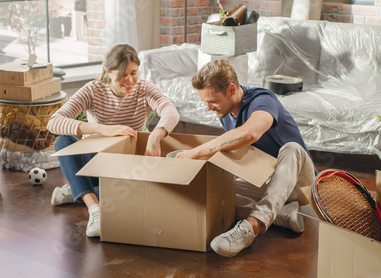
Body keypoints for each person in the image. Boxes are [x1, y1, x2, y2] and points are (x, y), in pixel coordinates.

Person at [176, 59, 314, 257]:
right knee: (214, 191)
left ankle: (252, 226)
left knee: (292, 149)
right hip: (267, 180)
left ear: (231, 89)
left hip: (299, 182)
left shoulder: (262, 99)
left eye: (212, 101)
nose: (208, 108)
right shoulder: (226, 112)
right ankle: (281, 215)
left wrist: (196, 152)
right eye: (205, 102)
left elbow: (250, 134)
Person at [48, 44, 180, 237]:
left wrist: (155, 135)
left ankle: (77, 189)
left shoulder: (144, 89)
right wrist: (102, 129)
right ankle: (95, 209)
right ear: (108, 72)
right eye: (123, 75)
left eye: (134, 72)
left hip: (126, 166)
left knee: (133, 195)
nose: (130, 80)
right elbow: (54, 122)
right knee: (63, 142)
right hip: (96, 162)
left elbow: (170, 111)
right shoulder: (93, 90)